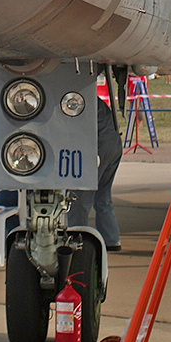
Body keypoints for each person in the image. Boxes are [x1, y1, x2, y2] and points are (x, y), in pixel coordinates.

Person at [66, 98, 123, 251]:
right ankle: (111, 239)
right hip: (113, 143)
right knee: (103, 195)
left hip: (99, 145)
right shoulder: (89, 97)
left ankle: (77, 237)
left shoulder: (73, 99)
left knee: (80, 195)